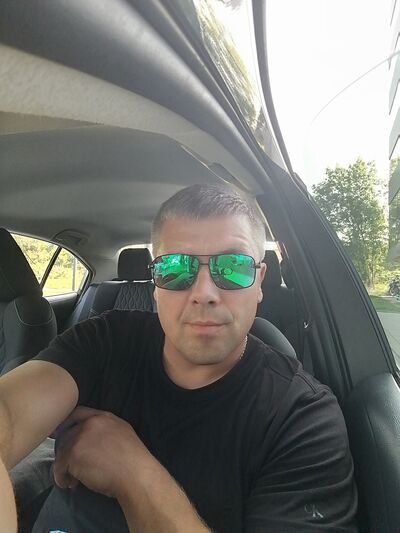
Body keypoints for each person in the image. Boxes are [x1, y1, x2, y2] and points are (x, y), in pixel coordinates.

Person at [0, 184, 358, 532]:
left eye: (233, 266)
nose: (204, 293)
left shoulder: (301, 417)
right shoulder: (105, 338)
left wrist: (132, 474)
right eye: (176, 268)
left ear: (259, 281)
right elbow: (10, 414)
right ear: (156, 284)